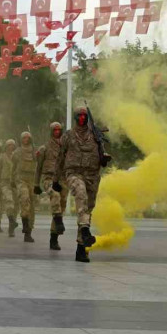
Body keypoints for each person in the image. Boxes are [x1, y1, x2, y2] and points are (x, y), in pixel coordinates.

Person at [53, 106, 110, 262]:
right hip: (74, 173)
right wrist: (55, 179)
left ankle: (81, 248)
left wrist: (104, 158)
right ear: (75, 117)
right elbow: (60, 158)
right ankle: (84, 229)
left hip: (92, 176)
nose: (82, 118)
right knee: (81, 195)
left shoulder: (96, 136)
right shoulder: (68, 136)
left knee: (87, 210)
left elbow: (103, 157)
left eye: (85, 116)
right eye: (80, 116)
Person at [35, 122, 67, 250]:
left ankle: (54, 238)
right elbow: (38, 168)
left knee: (61, 207)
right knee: (55, 196)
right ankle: (58, 221)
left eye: (59, 130)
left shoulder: (66, 148)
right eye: (55, 130)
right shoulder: (44, 148)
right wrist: (36, 184)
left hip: (63, 179)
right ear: (51, 131)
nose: (57, 132)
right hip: (48, 178)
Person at [12, 131, 37, 242]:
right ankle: (25, 225)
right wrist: (12, 180)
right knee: (24, 200)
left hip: (32, 179)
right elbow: (13, 167)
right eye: (24, 138)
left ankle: (28, 232)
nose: (25, 140)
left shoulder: (35, 151)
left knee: (32, 207)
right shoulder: (17, 152)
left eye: (27, 138)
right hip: (21, 179)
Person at [0, 139, 18, 237]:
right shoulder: (2, 157)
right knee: (9, 200)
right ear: (6, 146)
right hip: (5, 182)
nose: (11, 147)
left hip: (15, 183)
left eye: (12, 145)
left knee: (16, 206)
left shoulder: (17, 156)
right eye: (9, 145)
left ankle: (11, 228)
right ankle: (11, 219)